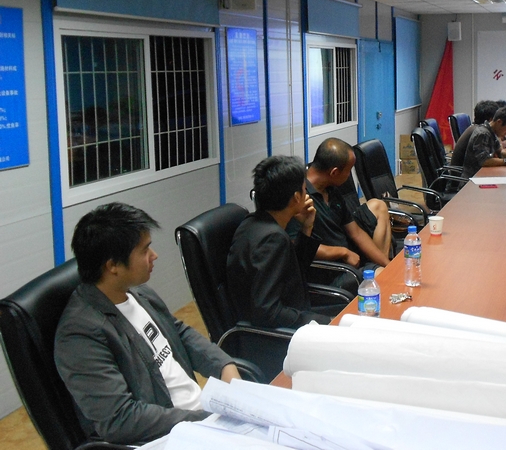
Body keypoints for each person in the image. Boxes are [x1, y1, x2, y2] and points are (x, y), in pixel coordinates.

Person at [54, 203, 241, 446]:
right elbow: (120, 419)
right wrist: (206, 419)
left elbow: (178, 333)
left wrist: (224, 366)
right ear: (112, 266)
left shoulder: (138, 293)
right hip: (172, 436)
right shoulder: (80, 335)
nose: (154, 256)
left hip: (201, 419)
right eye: (144, 250)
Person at [228, 155, 344, 329]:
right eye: (305, 189)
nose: (307, 194)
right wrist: (322, 322)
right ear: (297, 197)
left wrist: (306, 227)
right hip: (276, 334)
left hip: (291, 311)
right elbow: (267, 311)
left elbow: (293, 273)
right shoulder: (272, 239)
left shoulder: (253, 223)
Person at [296, 138, 392, 271]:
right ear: (334, 172)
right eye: (348, 171)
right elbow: (298, 247)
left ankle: (379, 266)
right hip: (332, 267)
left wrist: (388, 266)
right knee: (380, 275)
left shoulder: (331, 189)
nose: (349, 176)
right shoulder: (299, 198)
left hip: (348, 251)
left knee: (378, 206)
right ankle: (375, 270)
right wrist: (343, 252)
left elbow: (356, 233)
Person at [461, 105, 506, 179]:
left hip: (483, 175)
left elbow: (499, 151)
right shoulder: (482, 134)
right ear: (499, 122)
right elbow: (484, 161)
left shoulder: (492, 131)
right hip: (473, 178)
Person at [450, 100, 499, 168]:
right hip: (463, 172)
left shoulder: (477, 128)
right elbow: (484, 160)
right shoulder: (481, 133)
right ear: (491, 120)